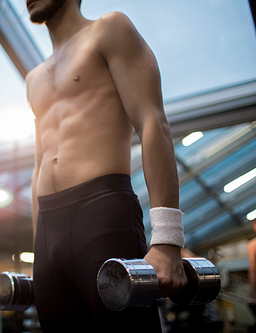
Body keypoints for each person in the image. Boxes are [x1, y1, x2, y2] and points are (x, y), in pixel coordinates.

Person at [25, 0, 188, 331]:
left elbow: (152, 121)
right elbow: (39, 162)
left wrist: (168, 240)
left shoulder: (109, 29)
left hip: (102, 214)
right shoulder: (33, 78)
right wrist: (36, 249)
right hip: (48, 227)